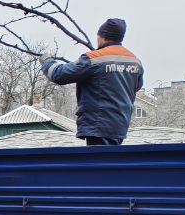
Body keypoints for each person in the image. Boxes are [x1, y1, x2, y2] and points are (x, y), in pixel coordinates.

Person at [40, 18, 144, 146]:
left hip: (98, 125)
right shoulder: (135, 61)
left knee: (100, 158)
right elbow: (137, 86)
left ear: (103, 36)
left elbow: (58, 75)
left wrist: (47, 61)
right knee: (112, 157)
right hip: (120, 125)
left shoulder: (94, 59)